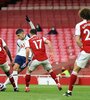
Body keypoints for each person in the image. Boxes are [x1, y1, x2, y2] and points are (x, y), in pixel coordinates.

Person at [24, 28, 62, 92]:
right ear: (36, 33)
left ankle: (27, 87)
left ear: (30, 34)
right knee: (50, 70)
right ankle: (58, 83)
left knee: (28, 72)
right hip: (45, 59)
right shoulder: (42, 38)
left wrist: (27, 60)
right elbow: (49, 42)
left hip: (36, 59)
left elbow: (27, 50)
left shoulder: (28, 40)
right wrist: (51, 52)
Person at [63, 8, 90, 96]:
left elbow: (77, 40)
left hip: (86, 50)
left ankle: (69, 92)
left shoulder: (79, 25)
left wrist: (83, 47)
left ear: (81, 16)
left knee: (75, 70)